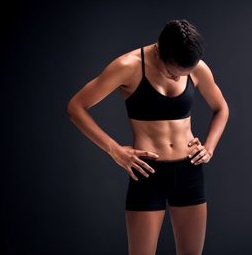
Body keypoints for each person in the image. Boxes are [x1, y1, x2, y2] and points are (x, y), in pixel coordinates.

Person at [67, 19, 229, 255]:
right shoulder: (128, 65)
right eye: (173, 74)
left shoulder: (196, 66)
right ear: (161, 52)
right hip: (148, 172)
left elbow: (221, 108)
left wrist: (210, 147)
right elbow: (76, 107)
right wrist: (115, 150)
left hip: (189, 170)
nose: (176, 79)